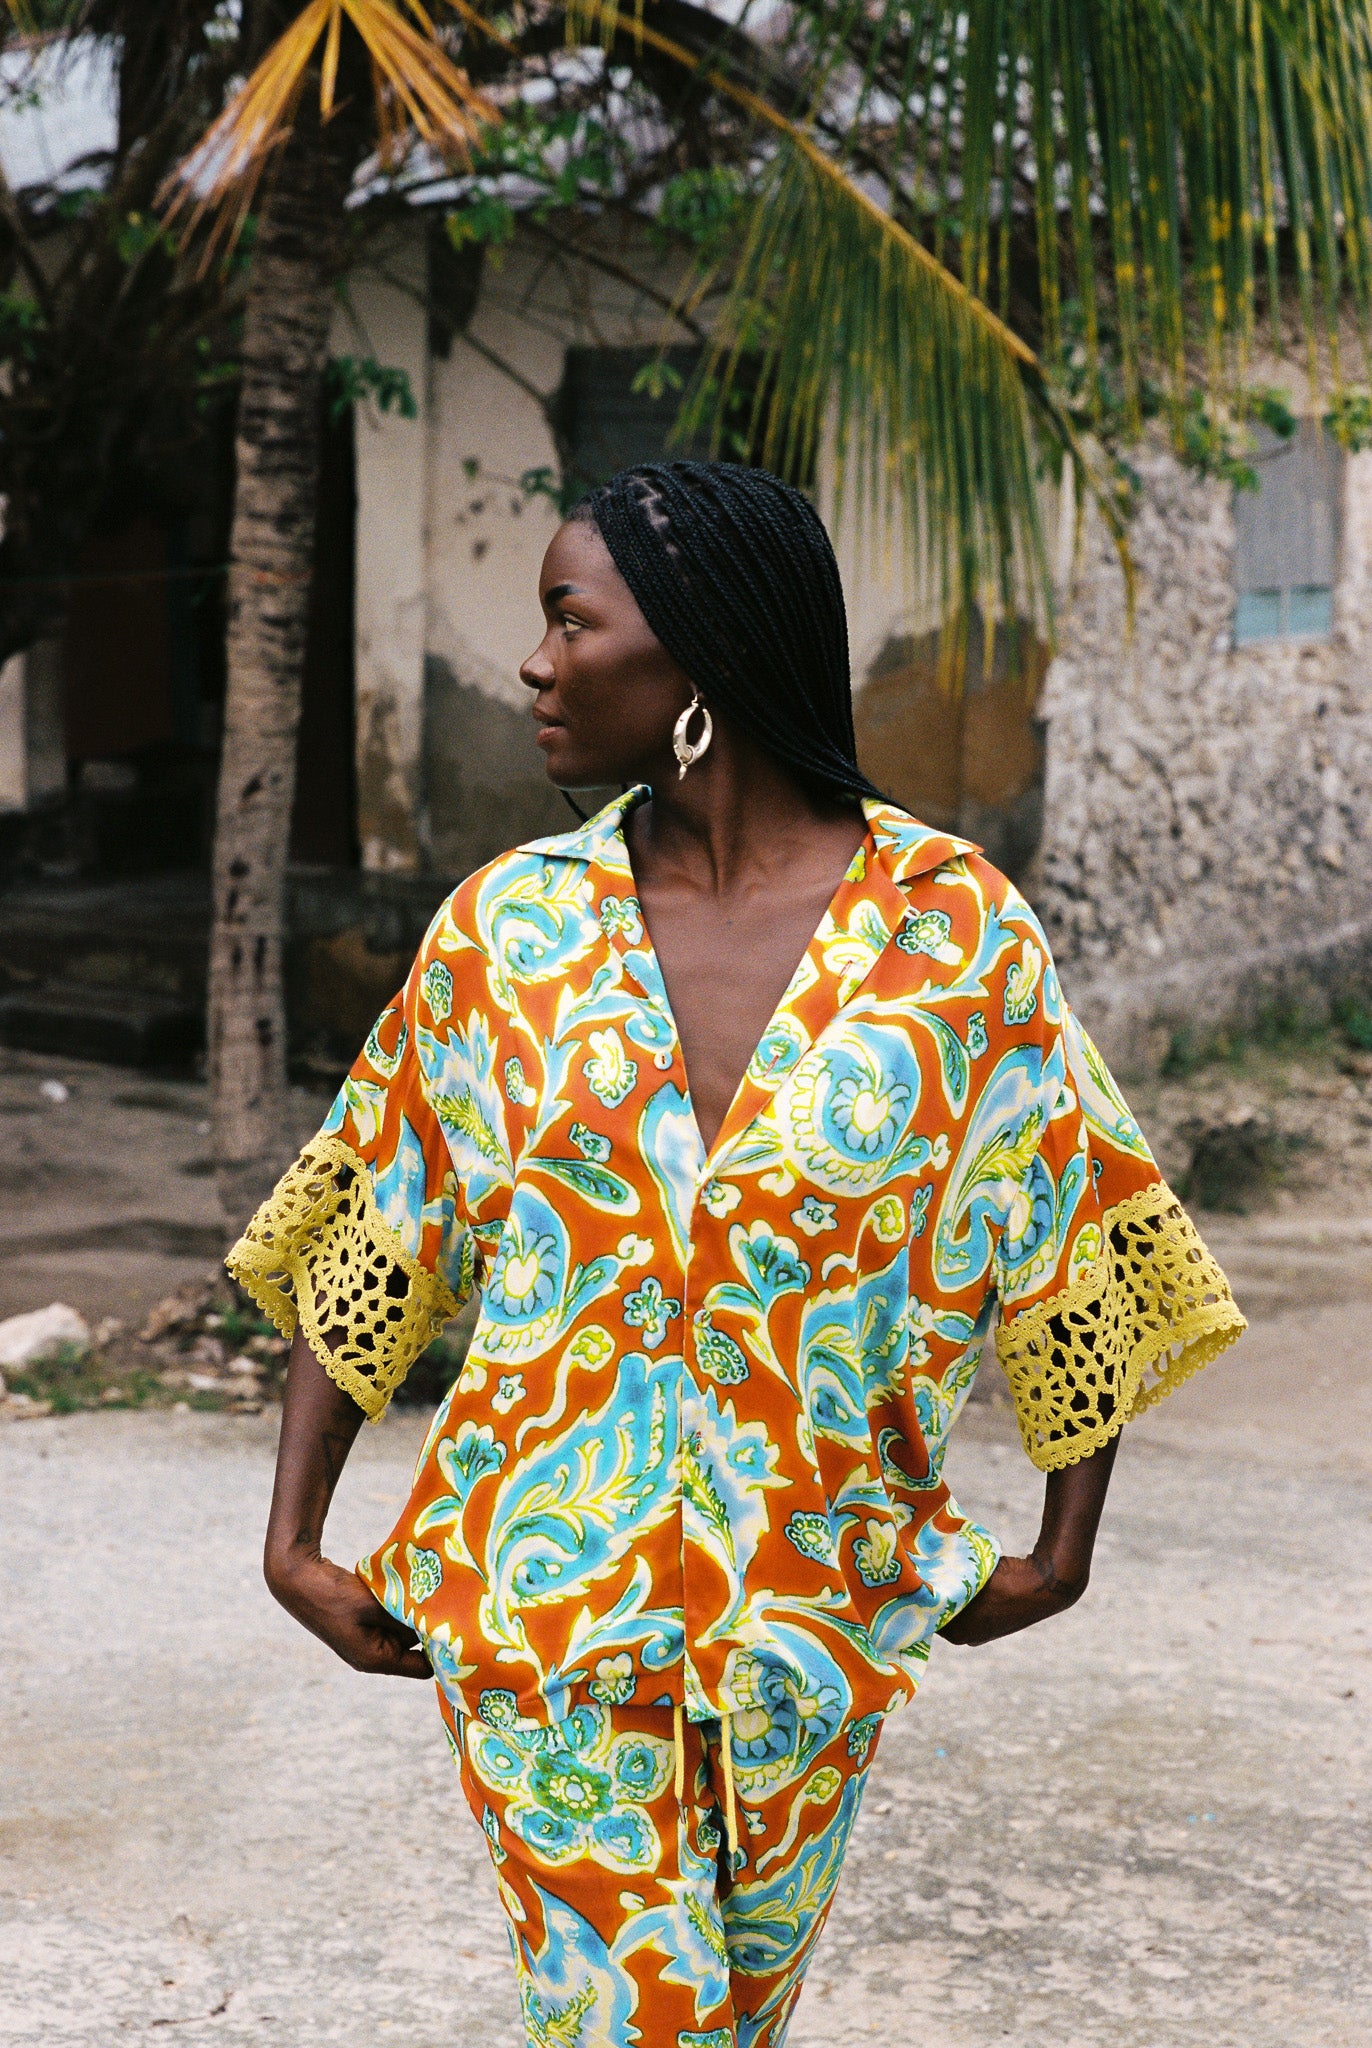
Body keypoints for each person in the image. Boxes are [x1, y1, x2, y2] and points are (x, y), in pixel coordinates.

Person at [230, 461, 1245, 2048]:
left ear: (694, 660)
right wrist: (295, 1539)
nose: (536, 664)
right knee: (635, 2021)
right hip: (540, 1617)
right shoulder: (507, 936)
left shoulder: (955, 938)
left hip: (814, 1626)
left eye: (573, 622)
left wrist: (1062, 1546)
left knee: (736, 2023)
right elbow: (380, 1218)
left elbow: (1073, 1226)